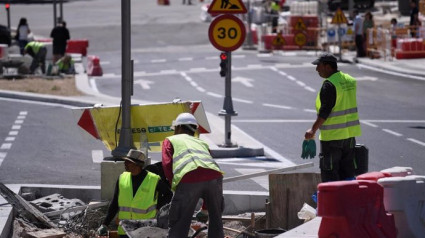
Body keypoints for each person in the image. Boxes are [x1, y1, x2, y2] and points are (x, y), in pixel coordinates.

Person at [162, 113, 224, 238]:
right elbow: (207, 170)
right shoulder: (201, 142)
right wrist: (205, 208)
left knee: (179, 222)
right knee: (216, 221)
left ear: (178, 127)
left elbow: (167, 165)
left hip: (189, 177)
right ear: (194, 129)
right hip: (215, 177)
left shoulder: (171, 140)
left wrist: (176, 189)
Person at [304, 53, 362, 183]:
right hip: (349, 136)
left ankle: (333, 201)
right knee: (347, 172)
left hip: (332, 138)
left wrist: (313, 130)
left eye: (318, 66)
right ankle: (348, 200)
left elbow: (325, 111)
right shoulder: (349, 80)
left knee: (330, 173)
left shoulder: (329, 85)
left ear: (328, 66)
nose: (316, 69)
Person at [97, 149, 173, 238]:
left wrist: (158, 207)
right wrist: (105, 224)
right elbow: (114, 203)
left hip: (145, 230)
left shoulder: (153, 179)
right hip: (125, 230)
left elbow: (169, 195)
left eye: (128, 162)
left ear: (137, 164)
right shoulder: (122, 178)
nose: (125, 163)